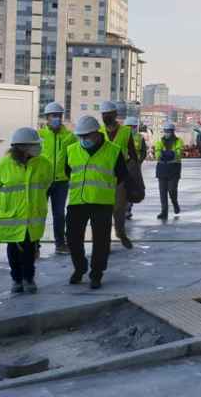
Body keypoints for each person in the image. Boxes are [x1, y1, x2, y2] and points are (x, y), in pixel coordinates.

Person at [66, 115, 128, 289]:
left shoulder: (114, 151)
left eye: (87, 136)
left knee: (101, 242)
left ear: (97, 133)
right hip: (77, 202)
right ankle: (80, 268)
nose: (83, 139)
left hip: (102, 203)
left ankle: (96, 274)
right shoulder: (71, 150)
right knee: (72, 238)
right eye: (81, 136)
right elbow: (67, 172)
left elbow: (122, 176)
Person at [0, 128, 52, 294]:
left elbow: (46, 184)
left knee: (29, 249)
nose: (38, 148)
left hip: (32, 215)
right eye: (34, 145)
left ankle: (28, 278)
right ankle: (16, 279)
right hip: (12, 216)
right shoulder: (3, 165)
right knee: (13, 249)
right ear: (22, 147)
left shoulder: (43, 163)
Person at [98, 101, 137, 248]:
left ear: (115, 114)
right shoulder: (99, 132)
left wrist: (130, 171)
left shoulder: (126, 132)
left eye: (108, 114)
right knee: (104, 209)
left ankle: (121, 233)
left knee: (119, 208)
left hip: (120, 176)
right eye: (103, 114)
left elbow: (133, 155)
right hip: (103, 176)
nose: (106, 116)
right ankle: (105, 241)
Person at [39, 102, 76, 254]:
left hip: (61, 182)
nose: (56, 118)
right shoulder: (39, 135)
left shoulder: (69, 137)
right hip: (42, 182)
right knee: (38, 213)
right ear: (47, 118)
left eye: (59, 116)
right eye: (53, 116)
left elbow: (75, 157)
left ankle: (60, 244)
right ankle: (34, 245)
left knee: (59, 214)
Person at [155, 122, 184, 220]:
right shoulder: (159, 142)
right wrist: (169, 154)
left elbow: (178, 154)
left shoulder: (178, 141)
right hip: (162, 170)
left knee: (172, 190)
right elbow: (158, 155)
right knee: (162, 192)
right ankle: (164, 212)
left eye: (169, 131)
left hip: (174, 170)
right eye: (165, 131)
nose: (167, 133)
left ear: (172, 132)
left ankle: (175, 204)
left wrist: (166, 154)